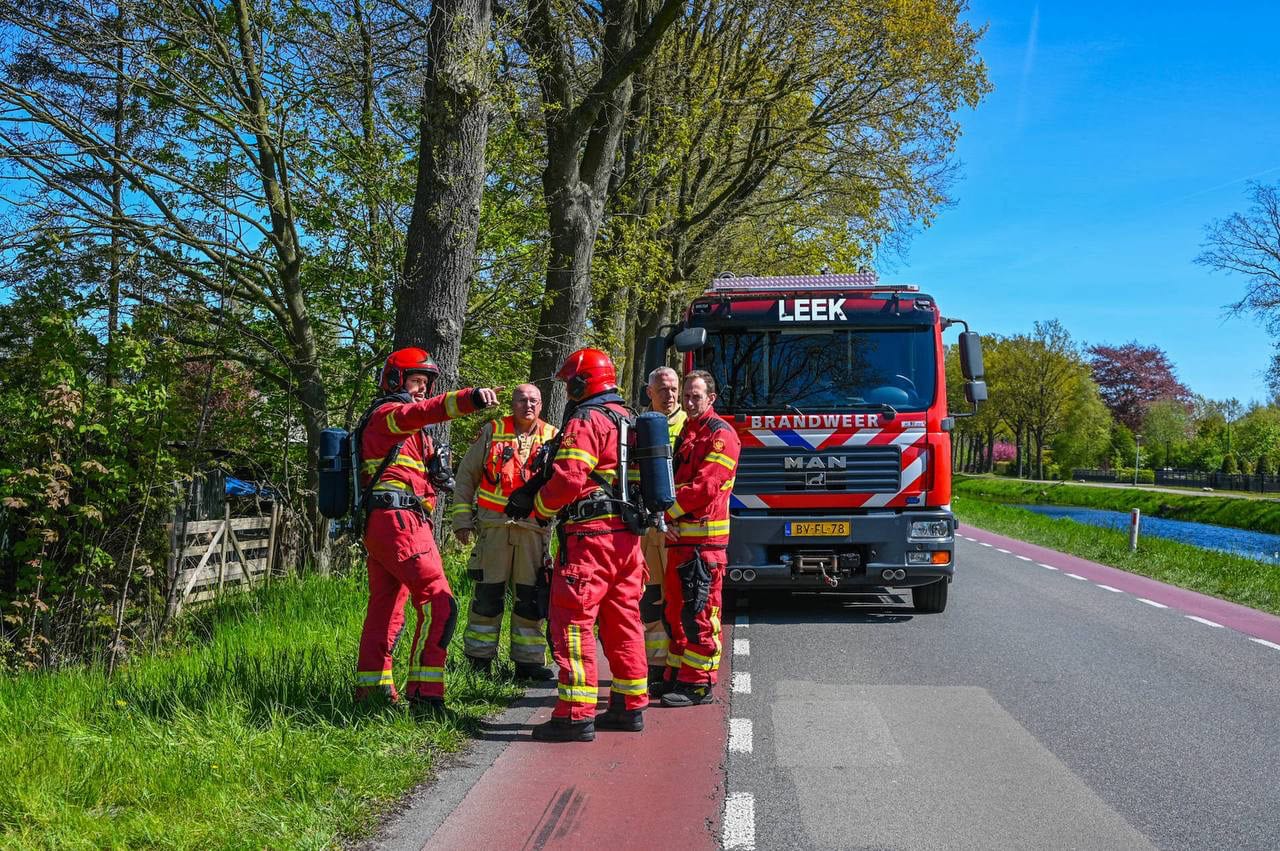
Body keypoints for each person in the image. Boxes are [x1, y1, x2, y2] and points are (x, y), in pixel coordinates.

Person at [505, 348, 649, 742]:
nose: (568, 390)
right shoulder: (628, 418)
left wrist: (536, 507)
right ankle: (629, 704)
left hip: (590, 538)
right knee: (624, 622)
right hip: (627, 538)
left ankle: (574, 714)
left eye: (572, 382)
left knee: (574, 622)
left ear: (585, 382)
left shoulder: (587, 419)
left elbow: (569, 479)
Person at [354, 347, 500, 713]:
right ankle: (426, 696)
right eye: (416, 381)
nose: (422, 390)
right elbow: (422, 411)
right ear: (395, 381)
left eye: (425, 383)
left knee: (387, 610)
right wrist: (470, 398)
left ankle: (373, 695)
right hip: (398, 522)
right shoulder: (388, 414)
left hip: (392, 522)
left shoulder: (411, 433)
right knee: (441, 604)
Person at [450, 384, 557, 679]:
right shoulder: (493, 430)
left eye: (534, 400)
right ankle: (478, 662)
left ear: (542, 404)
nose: (528, 405)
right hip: (493, 529)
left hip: (534, 531)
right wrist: (462, 520)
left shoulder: (553, 436)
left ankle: (529, 663)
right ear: (512, 403)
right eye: (522, 399)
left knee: (531, 598)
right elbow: (466, 476)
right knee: (488, 596)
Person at [659, 369, 740, 707]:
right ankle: (677, 676)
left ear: (711, 398)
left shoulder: (721, 435)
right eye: (687, 396)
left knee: (700, 615)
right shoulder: (689, 432)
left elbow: (706, 487)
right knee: (676, 612)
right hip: (681, 542)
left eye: (696, 396)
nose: (689, 402)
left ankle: (699, 684)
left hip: (704, 546)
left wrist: (666, 513)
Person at [638, 366, 686, 694]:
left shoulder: (691, 426)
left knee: (679, 598)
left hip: (677, 528)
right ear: (648, 392)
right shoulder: (638, 426)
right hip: (645, 528)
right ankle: (655, 666)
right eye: (662, 389)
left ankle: (679, 666)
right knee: (650, 598)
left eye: (673, 389)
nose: (668, 395)